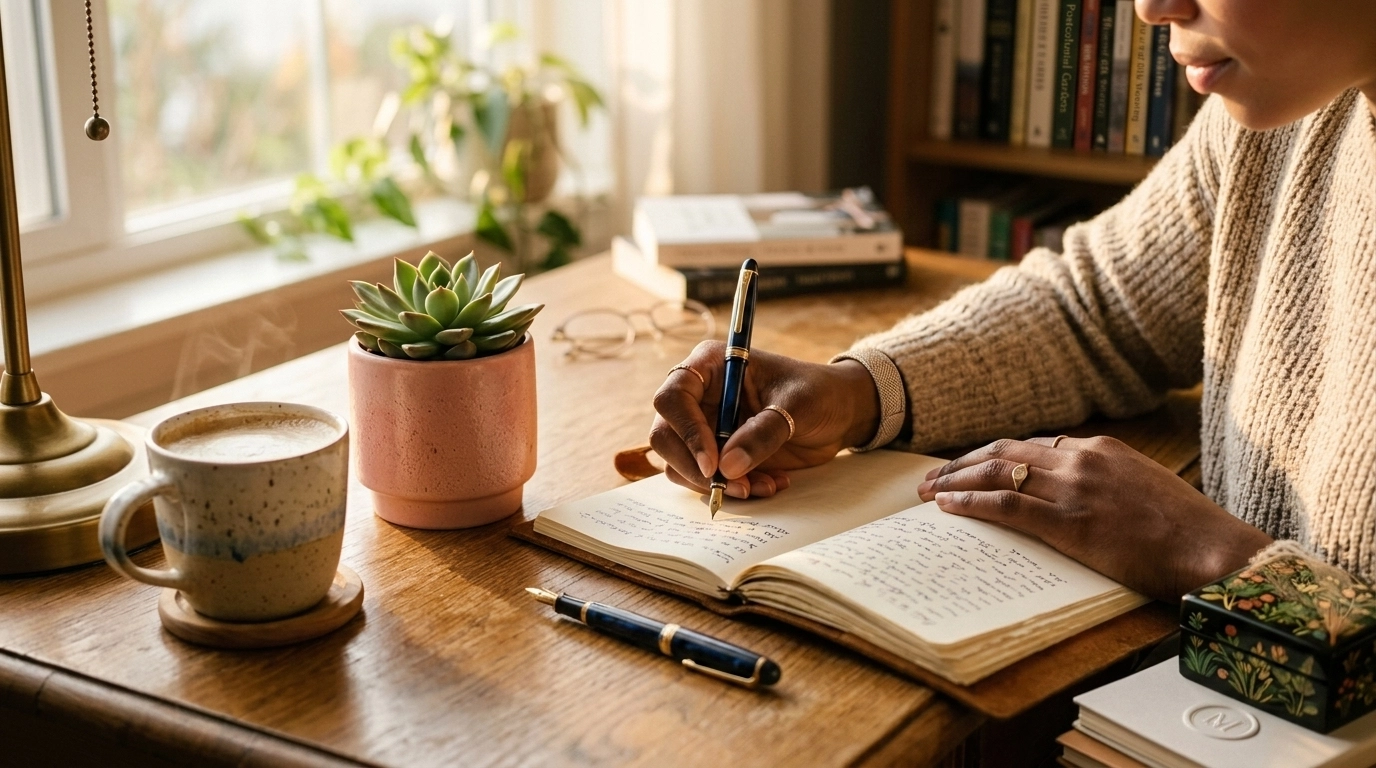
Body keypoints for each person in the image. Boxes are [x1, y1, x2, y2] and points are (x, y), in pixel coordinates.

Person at [649, 0, 1376, 603]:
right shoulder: (1288, 115)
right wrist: (856, 390)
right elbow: (1094, 308)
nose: (1153, 10)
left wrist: (1214, 557)